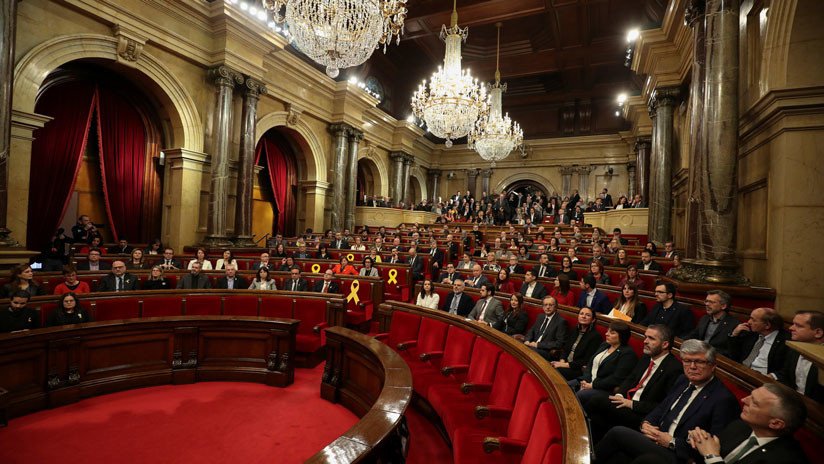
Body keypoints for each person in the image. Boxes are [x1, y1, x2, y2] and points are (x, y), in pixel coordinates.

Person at [595, 340, 740, 464]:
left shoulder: (723, 399)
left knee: (618, 433)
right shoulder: (683, 380)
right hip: (656, 439)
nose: (692, 366)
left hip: (679, 454)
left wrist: (671, 442)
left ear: (713, 365)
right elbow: (662, 408)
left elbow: (714, 445)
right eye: (687, 361)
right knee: (617, 454)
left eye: (699, 362)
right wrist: (646, 423)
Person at [584, 325, 683, 442]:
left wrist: (631, 404)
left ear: (665, 344)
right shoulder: (646, 357)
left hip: (641, 414)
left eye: (651, 338)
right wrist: (619, 395)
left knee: (596, 400)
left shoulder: (674, 368)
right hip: (625, 402)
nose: (645, 341)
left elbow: (664, 405)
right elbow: (630, 379)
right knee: (597, 415)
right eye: (645, 337)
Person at [687, 383, 810, 464]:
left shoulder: (788, 460)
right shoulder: (740, 426)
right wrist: (698, 441)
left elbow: (712, 456)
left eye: (755, 403)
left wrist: (711, 456)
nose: (743, 400)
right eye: (750, 395)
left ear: (776, 424)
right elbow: (706, 453)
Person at [572, 321, 637, 403]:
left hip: (604, 389)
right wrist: (586, 380)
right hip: (587, 381)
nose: (606, 334)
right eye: (607, 331)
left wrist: (592, 385)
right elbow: (590, 364)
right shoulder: (605, 345)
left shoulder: (628, 354)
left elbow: (616, 378)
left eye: (612, 333)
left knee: (579, 395)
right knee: (565, 386)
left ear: (622, 336)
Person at [773, 310, 824, 403]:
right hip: (794, 400)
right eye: (793, 324)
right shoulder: (794, 348)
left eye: (798, 326)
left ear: (818, 333)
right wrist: (772, 376)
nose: (791, 328)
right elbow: (786, 374)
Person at [727, 307, 789, 376]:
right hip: (741, 371)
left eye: (753, 320)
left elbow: (785, 370)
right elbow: (734, 354)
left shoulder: (785, 342)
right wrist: (734, 335)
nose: (749, 322)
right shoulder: (752, 333)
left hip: (761, 377)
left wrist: (774, 376)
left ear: (767, 325)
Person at [684, 290, 739, 356]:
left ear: (723, 306)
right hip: (699, 353)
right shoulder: (705, 318)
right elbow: (694, 334)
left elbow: (730, 351)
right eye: (706, 301)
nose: (707, 304)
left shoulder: (733, 324)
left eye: (711, 302)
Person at [524, 296, 568, 360]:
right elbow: (532, 330)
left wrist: (538, 345)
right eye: (545, 305)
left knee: (529, 351)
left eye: (550, 305)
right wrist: (527, 340)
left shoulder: (561, 322)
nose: (547, 307)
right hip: (532, 345)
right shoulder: (540, 316)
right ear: (543, 307)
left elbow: (559, 343)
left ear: (556, 307)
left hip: (546, 351)